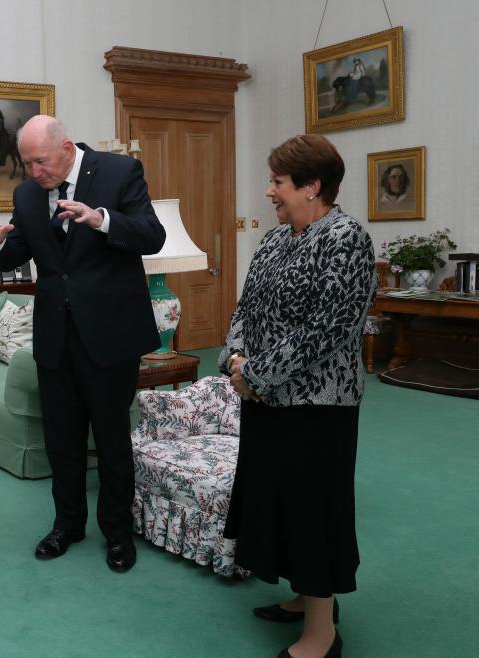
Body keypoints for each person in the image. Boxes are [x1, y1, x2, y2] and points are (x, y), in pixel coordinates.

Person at [0, 115, 165, 573]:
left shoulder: (118, 172)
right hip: (55, 336)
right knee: (62, 440)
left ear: (67, 147)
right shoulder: (27, 194)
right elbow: (22, 250)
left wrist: (100, 220)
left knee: (112, 439)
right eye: (27, 163)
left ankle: (118, 533)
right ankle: (67, 525)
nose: (35, 172)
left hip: (110, 334)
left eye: (41, 162)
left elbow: (152, 236)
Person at [220, 134, 376, 658]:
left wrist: (257, 374)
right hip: (265, 400)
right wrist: (235, 360)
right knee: (278, 502)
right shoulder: (273, 239)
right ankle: (304, 598)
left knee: (313, 512)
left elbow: (328, 327)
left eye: (277, 182)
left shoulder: (346, 238)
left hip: (318, 408)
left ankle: (321, 633)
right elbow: (245, 308)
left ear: (312, 186)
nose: (269, 192)